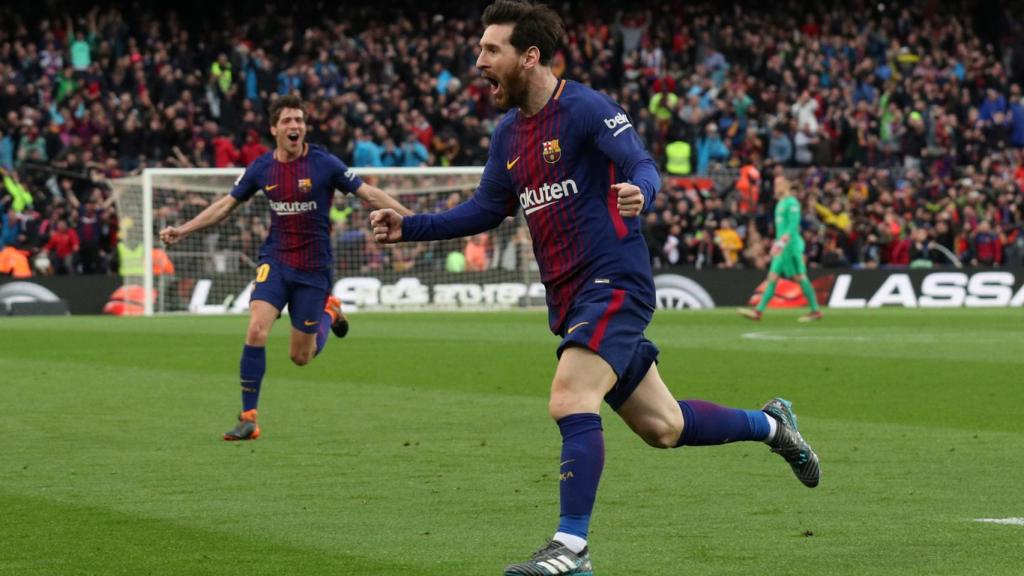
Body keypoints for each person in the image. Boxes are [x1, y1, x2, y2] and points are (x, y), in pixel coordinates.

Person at [369, 2, 821, 574]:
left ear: (529, 56)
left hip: (613, 282)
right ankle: (774, 426)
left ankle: (571, 549)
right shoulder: (508, 133)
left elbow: (642, 162)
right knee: (665, 427)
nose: (478, 60)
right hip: (570, 298)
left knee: (569, 398)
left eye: (490, 50)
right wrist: (409, 226)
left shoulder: (585, 108)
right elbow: (486, 209)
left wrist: (641, 191)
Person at [160, 94, 411, 441]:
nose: (295, 127)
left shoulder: (324, 163)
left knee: (300, 357)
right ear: (274, 128)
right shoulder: (262, 168)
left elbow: (368, 193)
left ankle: (329, 310)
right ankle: (249, 417)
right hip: (275, 262)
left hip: (313, 269)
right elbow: (225, 206)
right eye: (288, 121)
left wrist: (414, 221)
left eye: (299, 121)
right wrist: (183, 230)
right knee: (256, 330)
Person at [737, 176, 823, 322]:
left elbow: (793, 225)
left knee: (799, 277)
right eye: (775, 184)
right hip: (782, 248)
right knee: (772, 277)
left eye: (779, 184)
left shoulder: (792, 202)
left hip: (791, 247)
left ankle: (815, 310)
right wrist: (777, 243)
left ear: (786, 185)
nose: (776, 187)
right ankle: (758, 311)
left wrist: (782, 242)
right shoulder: (780, 203)